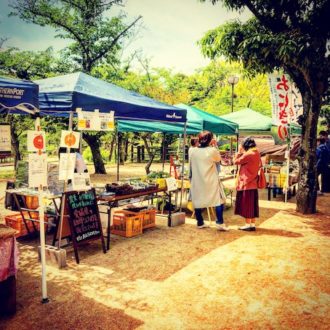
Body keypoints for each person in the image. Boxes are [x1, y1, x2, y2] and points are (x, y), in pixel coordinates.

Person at [190, 131, 229, 231]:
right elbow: (218, 159)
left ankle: (200, 222)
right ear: (210, 140)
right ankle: (219, 222)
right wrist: (215, 145)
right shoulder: (212, 150)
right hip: (210, 180)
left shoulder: (193, 151)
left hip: (197, 179)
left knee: (197, 200)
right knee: (217, 200)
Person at [233, 137, 261, 231]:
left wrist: (239, 152)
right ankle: (252, 224)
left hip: (246, 183)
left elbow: (236, 161)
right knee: (252, 205)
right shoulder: (257, 153)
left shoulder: (248, 154)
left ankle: (247, 224)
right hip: (253, 182)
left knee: (247, 205)